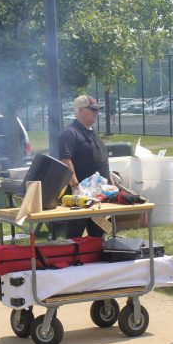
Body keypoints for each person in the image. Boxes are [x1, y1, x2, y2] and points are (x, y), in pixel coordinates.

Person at [58, 94, 110, 238]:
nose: (96, 112)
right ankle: (71, 258)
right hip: (80, 195)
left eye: (97, 109)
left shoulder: (93, 131)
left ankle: (99, 252)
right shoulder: (70, 133)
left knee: (99, 232)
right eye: (92, 109)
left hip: (98, 195)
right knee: (75, 232)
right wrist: (75, 186)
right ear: (80, 111)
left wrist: (111, 178)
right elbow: (65, 160)